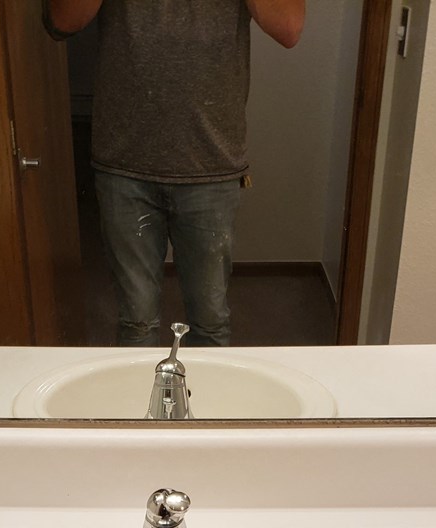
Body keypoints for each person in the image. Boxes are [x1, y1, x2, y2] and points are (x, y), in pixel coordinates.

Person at [44, 0, 305, 347]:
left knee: (210, 324)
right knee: (136, 324)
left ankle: (206, 403)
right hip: (125, 161)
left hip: (211, 163)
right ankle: (140, 403)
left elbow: (288, 28)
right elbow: (61, 21)